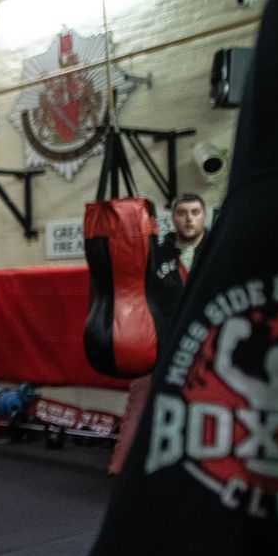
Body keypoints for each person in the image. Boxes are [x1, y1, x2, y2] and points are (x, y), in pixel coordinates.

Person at [106, 192, 208, 475]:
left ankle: (199, 470)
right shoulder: (157, 255)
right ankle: (122, 467)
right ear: (173, 217)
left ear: (204, 216)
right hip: (160, 341)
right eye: (182, 213)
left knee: (203, 402)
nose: (189, 219)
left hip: (204, 342)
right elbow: (138, 296)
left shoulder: (215, 254)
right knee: (140, 399)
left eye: (195, 213)